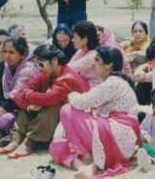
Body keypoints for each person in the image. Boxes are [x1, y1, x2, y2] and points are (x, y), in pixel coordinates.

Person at [48, 45, 141, 176]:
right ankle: (81, 165)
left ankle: (85, 156)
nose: (93, 64)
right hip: (117, 137)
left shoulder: (113, 83)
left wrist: (72, 95)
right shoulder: (112, 82)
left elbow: (80, 102)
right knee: (56, 146)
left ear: (108, 65)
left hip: (117, 136)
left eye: (97, 60)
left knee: (67, 110)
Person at [3, 44, 90, 160]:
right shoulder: (46, 73)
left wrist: (29, 94)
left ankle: (30, 142)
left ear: (54, 61)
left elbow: (50, 98)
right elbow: (19, 94)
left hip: (75, 121)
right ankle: (16, 138)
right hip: (55, 119)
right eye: (37, 65)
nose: (39, 68)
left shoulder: (67, 77)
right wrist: (29, 105)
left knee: (53, 105)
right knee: (28, 106)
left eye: (41, 64)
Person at [67, 20, 103, 87]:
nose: (72, 40)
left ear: (85, 40)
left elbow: (68, 69)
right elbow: (68, 66)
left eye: (75, 37)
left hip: (93, 88)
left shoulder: (93, 55)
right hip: (85, 84)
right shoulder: (81, 50)